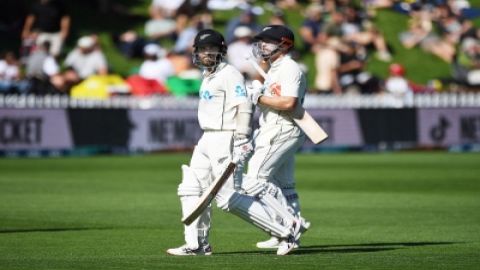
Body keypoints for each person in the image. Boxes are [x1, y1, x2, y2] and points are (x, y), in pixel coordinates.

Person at [166, 29, 303, 256]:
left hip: (226, 137)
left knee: (228, 198)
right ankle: (197, 245)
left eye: (211, 49)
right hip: (206, 138)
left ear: (221, 51)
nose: (206, 54)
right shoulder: (207, 76)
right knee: (190, 188)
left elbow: (244, 105)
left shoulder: (230, 74)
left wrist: (241, 138)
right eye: (202, 50)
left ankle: (287, 230)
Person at [244, 25, 311, 249]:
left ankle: (289, 227)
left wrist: (258, 97)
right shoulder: (274, 68)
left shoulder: (290, 68)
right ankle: (282, 232)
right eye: (261, 41)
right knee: (285, 186)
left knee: (255, 180)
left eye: (269, 41)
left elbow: (288, 103)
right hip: (276, 128)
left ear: (285, 44)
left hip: (282, 129)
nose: (263, 45)